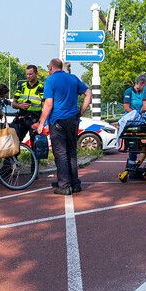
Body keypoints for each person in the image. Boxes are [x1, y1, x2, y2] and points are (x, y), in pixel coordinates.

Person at [36, 58, 91, 195]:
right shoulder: (73, 78)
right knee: (71, 152)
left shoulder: (50, 81)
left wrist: (42, 123)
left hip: (58, 121)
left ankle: (64, 185)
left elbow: (48, 103)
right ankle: (75, 183)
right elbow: (88, 93)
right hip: (73, 120)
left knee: (60, 154)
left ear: (51, 68)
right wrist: (81, 112)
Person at [117, 75, 146, 165]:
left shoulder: (143, 92)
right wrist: (136, 114)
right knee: (133, 144)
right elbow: (126, 108)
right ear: (141, 83)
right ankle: (131, 165)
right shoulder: (129, 91)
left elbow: (145, 106)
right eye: (145, 85)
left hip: (141, 118)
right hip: (131, 118)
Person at [12, 65, 44, 147]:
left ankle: (35, 160)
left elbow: (45, 106)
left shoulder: (41, 87)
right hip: (22, 117)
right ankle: (13, 159)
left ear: (36, 73)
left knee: (35, 144)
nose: (28, 76)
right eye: (27, 74)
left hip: (35, 119)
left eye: (30, 74)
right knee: (15, 141)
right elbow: (13, 104)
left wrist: (41, 122)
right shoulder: (22, 86)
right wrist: (20, 106)